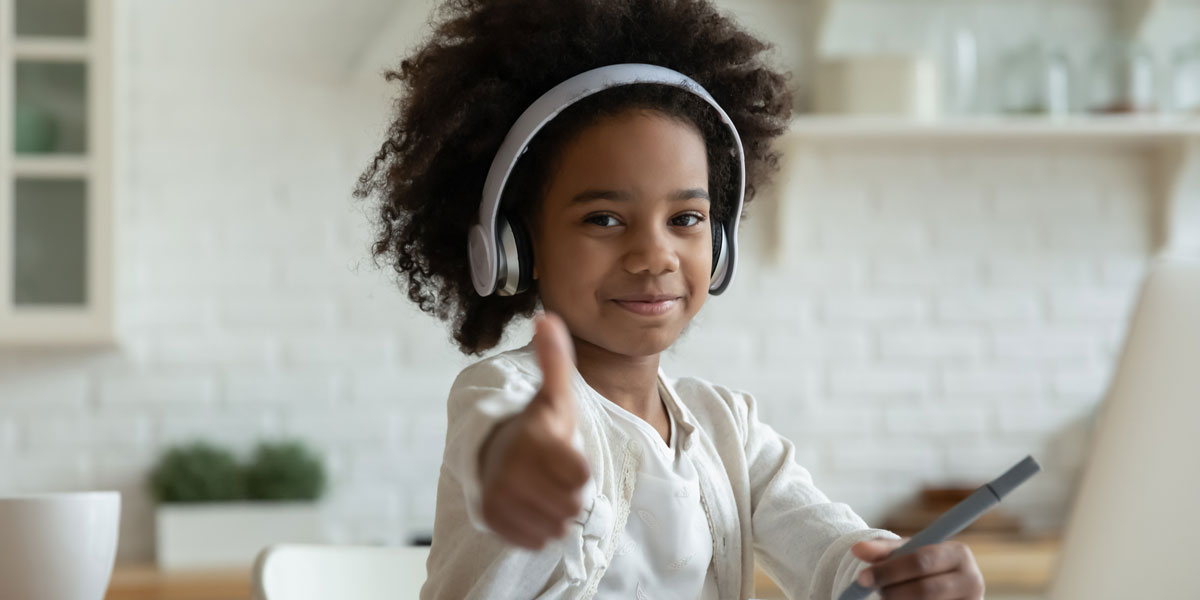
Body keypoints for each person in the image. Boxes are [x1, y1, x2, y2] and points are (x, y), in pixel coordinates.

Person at [354, 1, 986, 598]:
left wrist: (900, 570)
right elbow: (496, 449)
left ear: (721, 244)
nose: (654, 255)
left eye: (685, 218)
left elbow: (829, 548)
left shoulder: (728, 429)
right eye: (603, 219)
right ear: (516, 246)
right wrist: (519, 467)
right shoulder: (505, 396)